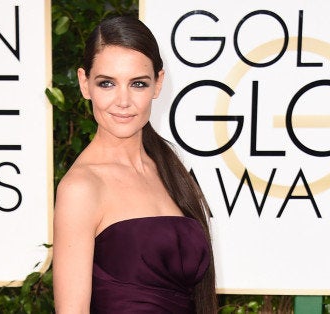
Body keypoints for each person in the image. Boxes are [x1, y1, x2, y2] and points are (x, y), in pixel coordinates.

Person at [53, 15, 217, 313]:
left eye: (138, 84)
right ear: (84, 83)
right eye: (107, 84)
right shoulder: (81, 188)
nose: (123, 101)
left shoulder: (168, 168)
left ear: (158, 84)